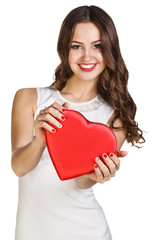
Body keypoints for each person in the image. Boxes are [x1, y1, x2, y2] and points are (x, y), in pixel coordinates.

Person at [11, 5, 145, 240]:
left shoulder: (116, 117)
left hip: (87, 232)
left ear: (110, 50)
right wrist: (39, 139)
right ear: (64, 48)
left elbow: (81, 183)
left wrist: (96, 176)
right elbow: (19, 167)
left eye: (97, 46)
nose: (87, 56)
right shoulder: (29, 98)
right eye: (76, 46)